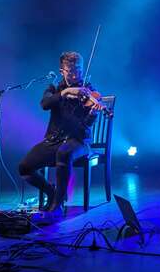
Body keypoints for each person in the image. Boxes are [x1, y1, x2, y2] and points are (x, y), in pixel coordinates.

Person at [18, 51, 102, 217]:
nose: (75, 75)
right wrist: (65, 92)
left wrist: (92, 114)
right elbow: (45, 104)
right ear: (62, 71)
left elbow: (86, 125)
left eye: (78, 70)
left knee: (64, 153)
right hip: (54, 139)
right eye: (70, 71)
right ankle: (52, 192)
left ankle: (57, 204)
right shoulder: (54, 88)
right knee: (24, 168)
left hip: (79, 140)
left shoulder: (89, 90)